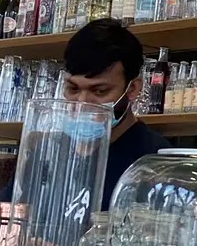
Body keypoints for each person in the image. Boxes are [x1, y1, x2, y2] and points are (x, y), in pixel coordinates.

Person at [63, 19, 169, 209]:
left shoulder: (156, 163)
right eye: (73, 89)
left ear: (132, 89)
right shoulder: (50, 151)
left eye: (99, 91)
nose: (82, 103)